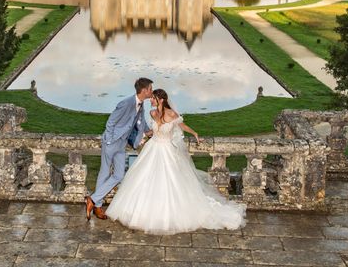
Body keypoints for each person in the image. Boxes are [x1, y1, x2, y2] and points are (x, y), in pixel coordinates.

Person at [104, 89, 246, 234]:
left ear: (160, 99)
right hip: (152, 148)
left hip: (166, 150)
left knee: (169, 180)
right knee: (145, 178)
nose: (150, 100)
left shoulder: (171, 114)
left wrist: (194, 133)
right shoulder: (152, 113)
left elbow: (181, 126)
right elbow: (152, 131)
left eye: (153, 98)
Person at [85, 77, 153, 220]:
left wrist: (148, 131)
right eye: (150, 89)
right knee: (104, 173)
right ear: (144, 90)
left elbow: (141, 121)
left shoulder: (140, 105)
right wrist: (109, 140)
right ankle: (97, 207)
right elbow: (110, 122)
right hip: (112, 143)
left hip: (122, 145)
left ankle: (92, 199)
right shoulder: (126, 103)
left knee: (119, 175)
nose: (151, 92)